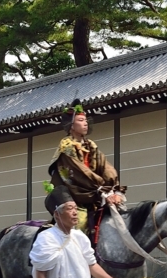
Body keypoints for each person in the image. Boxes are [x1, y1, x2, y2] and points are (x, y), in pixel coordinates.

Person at [48, 98, 124, 235]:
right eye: (81, 121)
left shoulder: (91, 145)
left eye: (85, 120)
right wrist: (101, 190)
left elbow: (105, 167)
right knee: (79, 223)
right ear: (71, 126)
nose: (85, 123)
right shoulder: (66, 147)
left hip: (96, 193)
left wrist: (114, 190)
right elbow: (80, 172)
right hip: (75, 194)